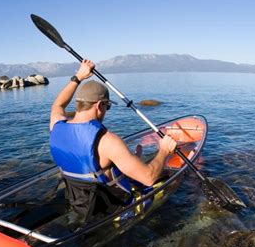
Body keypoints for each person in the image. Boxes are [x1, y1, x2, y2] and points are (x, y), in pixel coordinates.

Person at [49, 59, 177, 222]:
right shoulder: (107, 141)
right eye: (107, 107)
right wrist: (164, 150)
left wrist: (78, 77)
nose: (106, 111)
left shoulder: (56, 126)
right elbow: (148, 178)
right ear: (100, 105)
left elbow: (58, 104)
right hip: (115, 211)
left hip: (80, 203)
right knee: (165, 176)